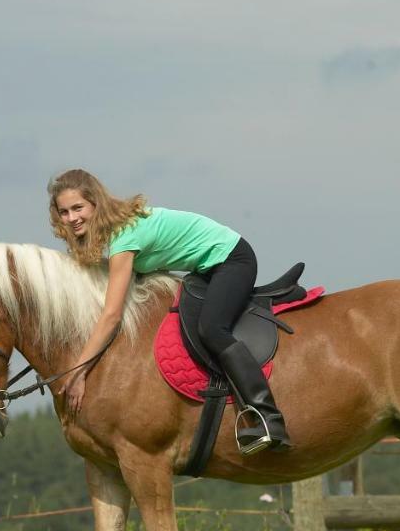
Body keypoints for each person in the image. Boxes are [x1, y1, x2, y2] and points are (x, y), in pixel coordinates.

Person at [47, 168, 290, 452]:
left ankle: (268, 416)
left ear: (96, 204)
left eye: (78, 208)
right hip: (205, 269)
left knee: (212, 329)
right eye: (64, 212)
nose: (72, 218)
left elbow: (111, 315)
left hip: (232, 260)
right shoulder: (114, 235)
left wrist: (78, 372)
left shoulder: (123, 239)